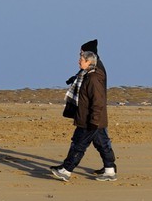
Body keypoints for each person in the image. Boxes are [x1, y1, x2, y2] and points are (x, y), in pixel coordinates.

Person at [50, 39, 116, 181]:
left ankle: (66, 170)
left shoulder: (95, 75)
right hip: (91, 118)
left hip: (90, 119)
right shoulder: (89, 72)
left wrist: (94, 120)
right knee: (101, 143)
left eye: (81, 56)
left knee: (79, 144)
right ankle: (110, 170)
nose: (78, 59)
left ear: (89, 58)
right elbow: (83, 78)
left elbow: (97, 101)